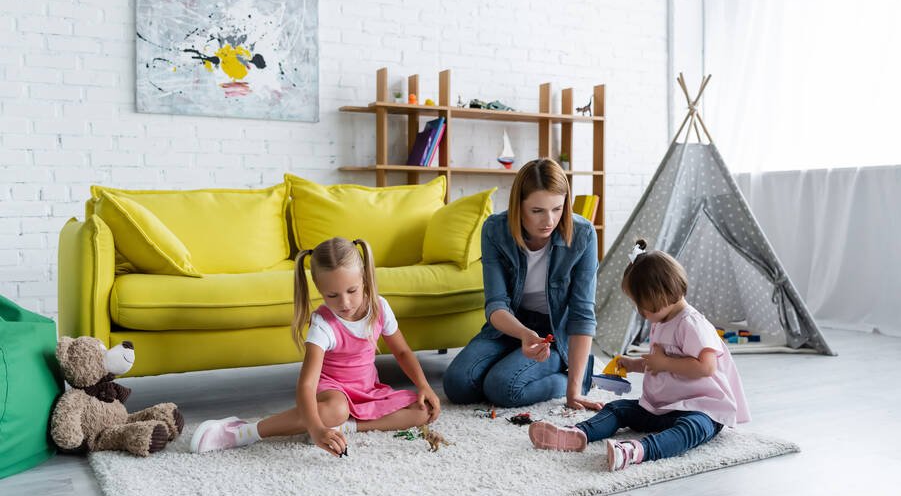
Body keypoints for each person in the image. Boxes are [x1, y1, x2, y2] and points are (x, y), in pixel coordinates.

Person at [191, 237, 441, 456]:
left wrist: (423, 385)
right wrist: (316, 428)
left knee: (424, 410)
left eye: (352, 290)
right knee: (336, 409)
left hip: (367, 388)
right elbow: (307, 384)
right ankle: (243, 431)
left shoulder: (379, 307)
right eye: (332, 295)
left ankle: (346, 427)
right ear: (320, 289)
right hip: (332, 390)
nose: (344, 303)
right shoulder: (324, 324)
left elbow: (402, 352)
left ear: (364, 278)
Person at [528, 238, 750, 471]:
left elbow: (706, 367)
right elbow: (659, 363)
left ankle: (638, 451)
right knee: (617, 408)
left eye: (641, 305)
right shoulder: (663, 320)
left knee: (690, 429)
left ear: (660, 296)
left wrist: (664, 362)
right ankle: (576, 433)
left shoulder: (692, 323)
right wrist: (634, 364)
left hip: (702, 409)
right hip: (664, 407)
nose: (640, 312)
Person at [443, 158, 601, 409]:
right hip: (510, 326)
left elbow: (582, 315)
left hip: (553, 334)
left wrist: (573, 393)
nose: (549, 220)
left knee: (502, 387)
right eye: (537, 211)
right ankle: (514, 363)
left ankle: (577, 377)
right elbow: (496, 305)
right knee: (457, 384)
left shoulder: (583, 235)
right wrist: (524, 334)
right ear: (519, 206)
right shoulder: (495, 230)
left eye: (557, 209)